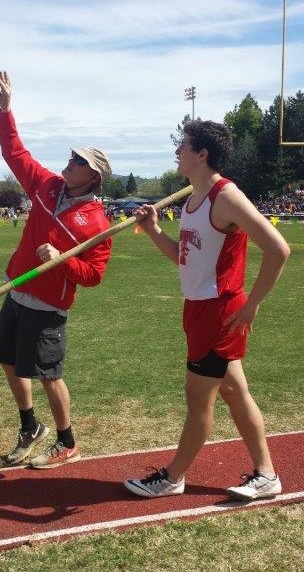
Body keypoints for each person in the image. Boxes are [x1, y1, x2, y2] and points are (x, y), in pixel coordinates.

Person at [124, 120, 290, 501]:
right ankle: (266, 475)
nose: (177, 152)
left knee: (199, 398)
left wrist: (252, 305)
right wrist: (151, 229)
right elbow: (183, 260)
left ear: (202, 154)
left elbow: (278, 249)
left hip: (220, 312)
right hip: (198, 309)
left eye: (183, 146)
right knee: (234, 391)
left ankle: (172, 477)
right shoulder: (192, 200)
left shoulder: (225, 196)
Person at [0, 71, 112, 468]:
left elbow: (93, 275)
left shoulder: (97, 222)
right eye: (72, 157)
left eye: (78, 162)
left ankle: (67, 441)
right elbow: (15, 154)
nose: (70, 163)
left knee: (48, 375)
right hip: (18, 290)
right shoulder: (46, 186)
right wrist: (7, 111)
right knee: (8, 359)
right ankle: (30, 427)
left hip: (48, 305)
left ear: (93, 176)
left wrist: (61, 259)